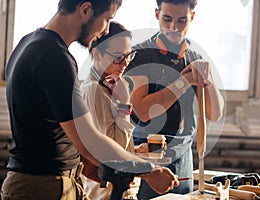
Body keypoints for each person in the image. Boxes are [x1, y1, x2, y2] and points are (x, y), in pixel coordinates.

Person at [1, 1, 179, 199]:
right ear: (85, 10)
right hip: (42, 187)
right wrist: (149, 171)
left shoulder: (30, 43)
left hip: (54, 182)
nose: (105, 30)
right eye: (106, 19)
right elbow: (89, 142)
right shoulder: (54, 57)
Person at [124, 0, 224, 199]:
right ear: (156, 14)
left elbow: (215, 113)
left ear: (192, 18)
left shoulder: (194, 58)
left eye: (181, 21)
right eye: (167, 19)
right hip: (148, 155)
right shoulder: (140, 55)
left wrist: (208, 78)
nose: (173, 28)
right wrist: (185, 80)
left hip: (183, 156)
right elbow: (143, 111)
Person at [80, 21, 148, 200]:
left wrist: (134, 150)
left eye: (128, 56)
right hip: (108, 192)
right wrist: (125, 105)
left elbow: (115, 142)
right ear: (97, 54)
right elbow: (110, 152)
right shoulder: (94, 90)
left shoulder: (108, 87)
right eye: (118, 56)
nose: (125, 63)